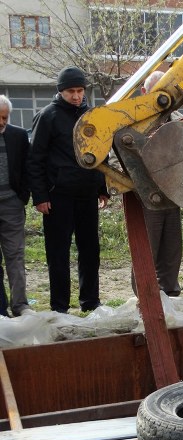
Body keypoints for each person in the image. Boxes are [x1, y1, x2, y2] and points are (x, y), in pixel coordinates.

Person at [28, 66, 109, 313]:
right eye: (71, 91)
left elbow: (100, 153)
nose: (76, 96)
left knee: (90, 250)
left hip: (87, 194)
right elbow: (35, 159)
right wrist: (40, 196)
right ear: (61, 92)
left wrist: (102, 188)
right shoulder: (48, 116)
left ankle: (90, 302)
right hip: (57, 196)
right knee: (58, 253)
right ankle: (60, 305)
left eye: (80, 91)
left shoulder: (91, 115)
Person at [131, 71, 183, 297]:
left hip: (172, 195)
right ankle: (145, 297)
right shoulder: (133, 122)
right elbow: (117, 159)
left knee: (172, 250)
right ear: (144, 93)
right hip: (147, 197)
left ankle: (170, 292)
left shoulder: (177, 119)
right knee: (147, 251)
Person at [0, 95, 31, 316]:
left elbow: (28, 167)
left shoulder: (18, 136)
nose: (1, 121)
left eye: (5, 117)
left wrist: (23, 196)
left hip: (12, 204)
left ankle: (20, 305)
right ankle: (0, 308)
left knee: (15, 256)